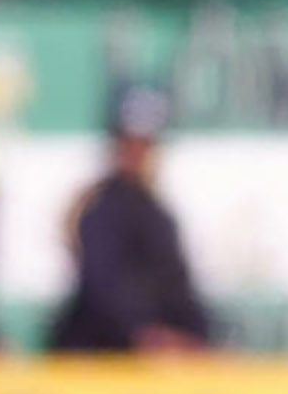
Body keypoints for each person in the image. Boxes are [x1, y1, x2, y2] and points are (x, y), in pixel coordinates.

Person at [47, 88, 210, 354]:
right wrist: (145, 336)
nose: (135, 153)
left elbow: (178, 289)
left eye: (144, 144)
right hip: (104, 359)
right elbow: (102, 291)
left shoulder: (158, 214)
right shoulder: (100, 209)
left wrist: (193, 337)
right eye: (128, 143)